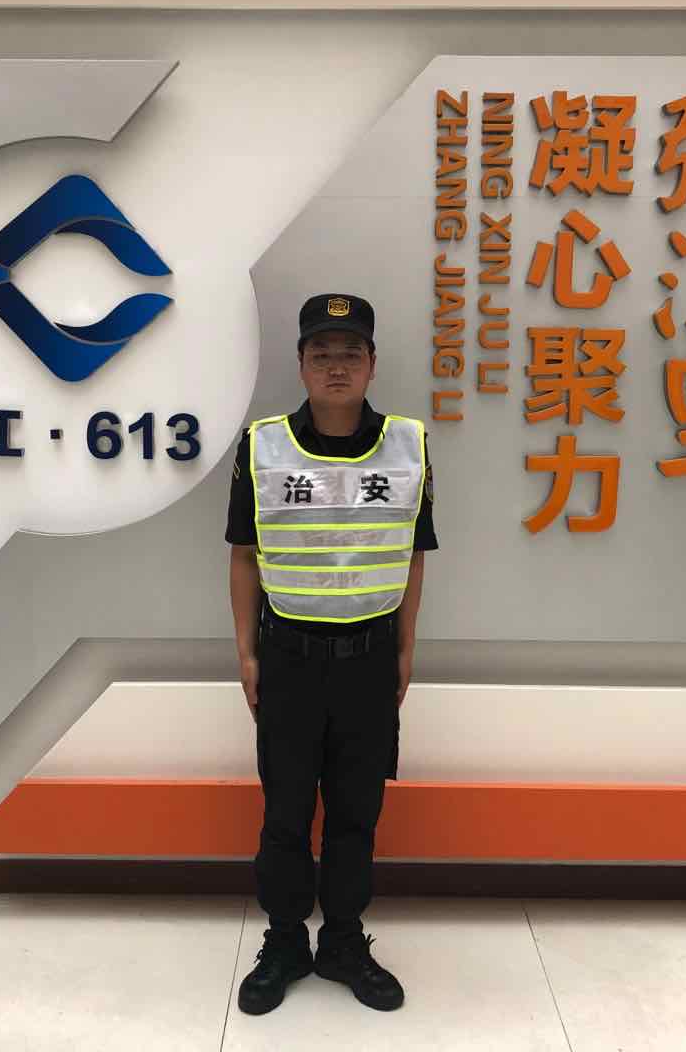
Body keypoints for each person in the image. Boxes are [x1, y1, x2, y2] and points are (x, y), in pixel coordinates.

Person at [225, 293, 437, 1015]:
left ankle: (343, 940)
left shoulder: (407, 444)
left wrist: (406, 647)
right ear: (301, 364)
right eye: (322, 354)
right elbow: (244, 555)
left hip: (370, 660)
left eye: (351, 353)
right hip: (287, 657)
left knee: (355, 811)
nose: (336, 367)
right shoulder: (262, 446)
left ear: (373, 363)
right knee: (285, 811)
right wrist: (246, 653)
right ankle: (285, 940)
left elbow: (412, 554)